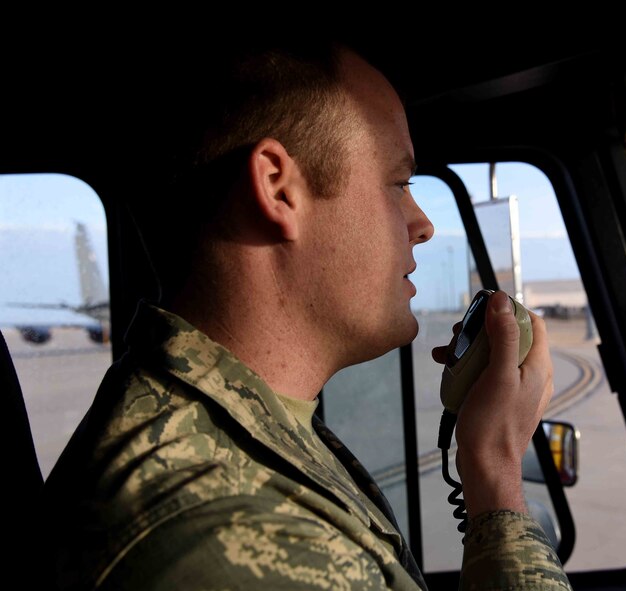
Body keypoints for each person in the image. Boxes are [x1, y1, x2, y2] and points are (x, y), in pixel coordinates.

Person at [41, 41, 571, 590]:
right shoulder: (231, 544)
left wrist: (487, 466)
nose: (423, 224)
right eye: (399, 183)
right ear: (278, 187)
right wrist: (502, 476)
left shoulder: (253, 430)